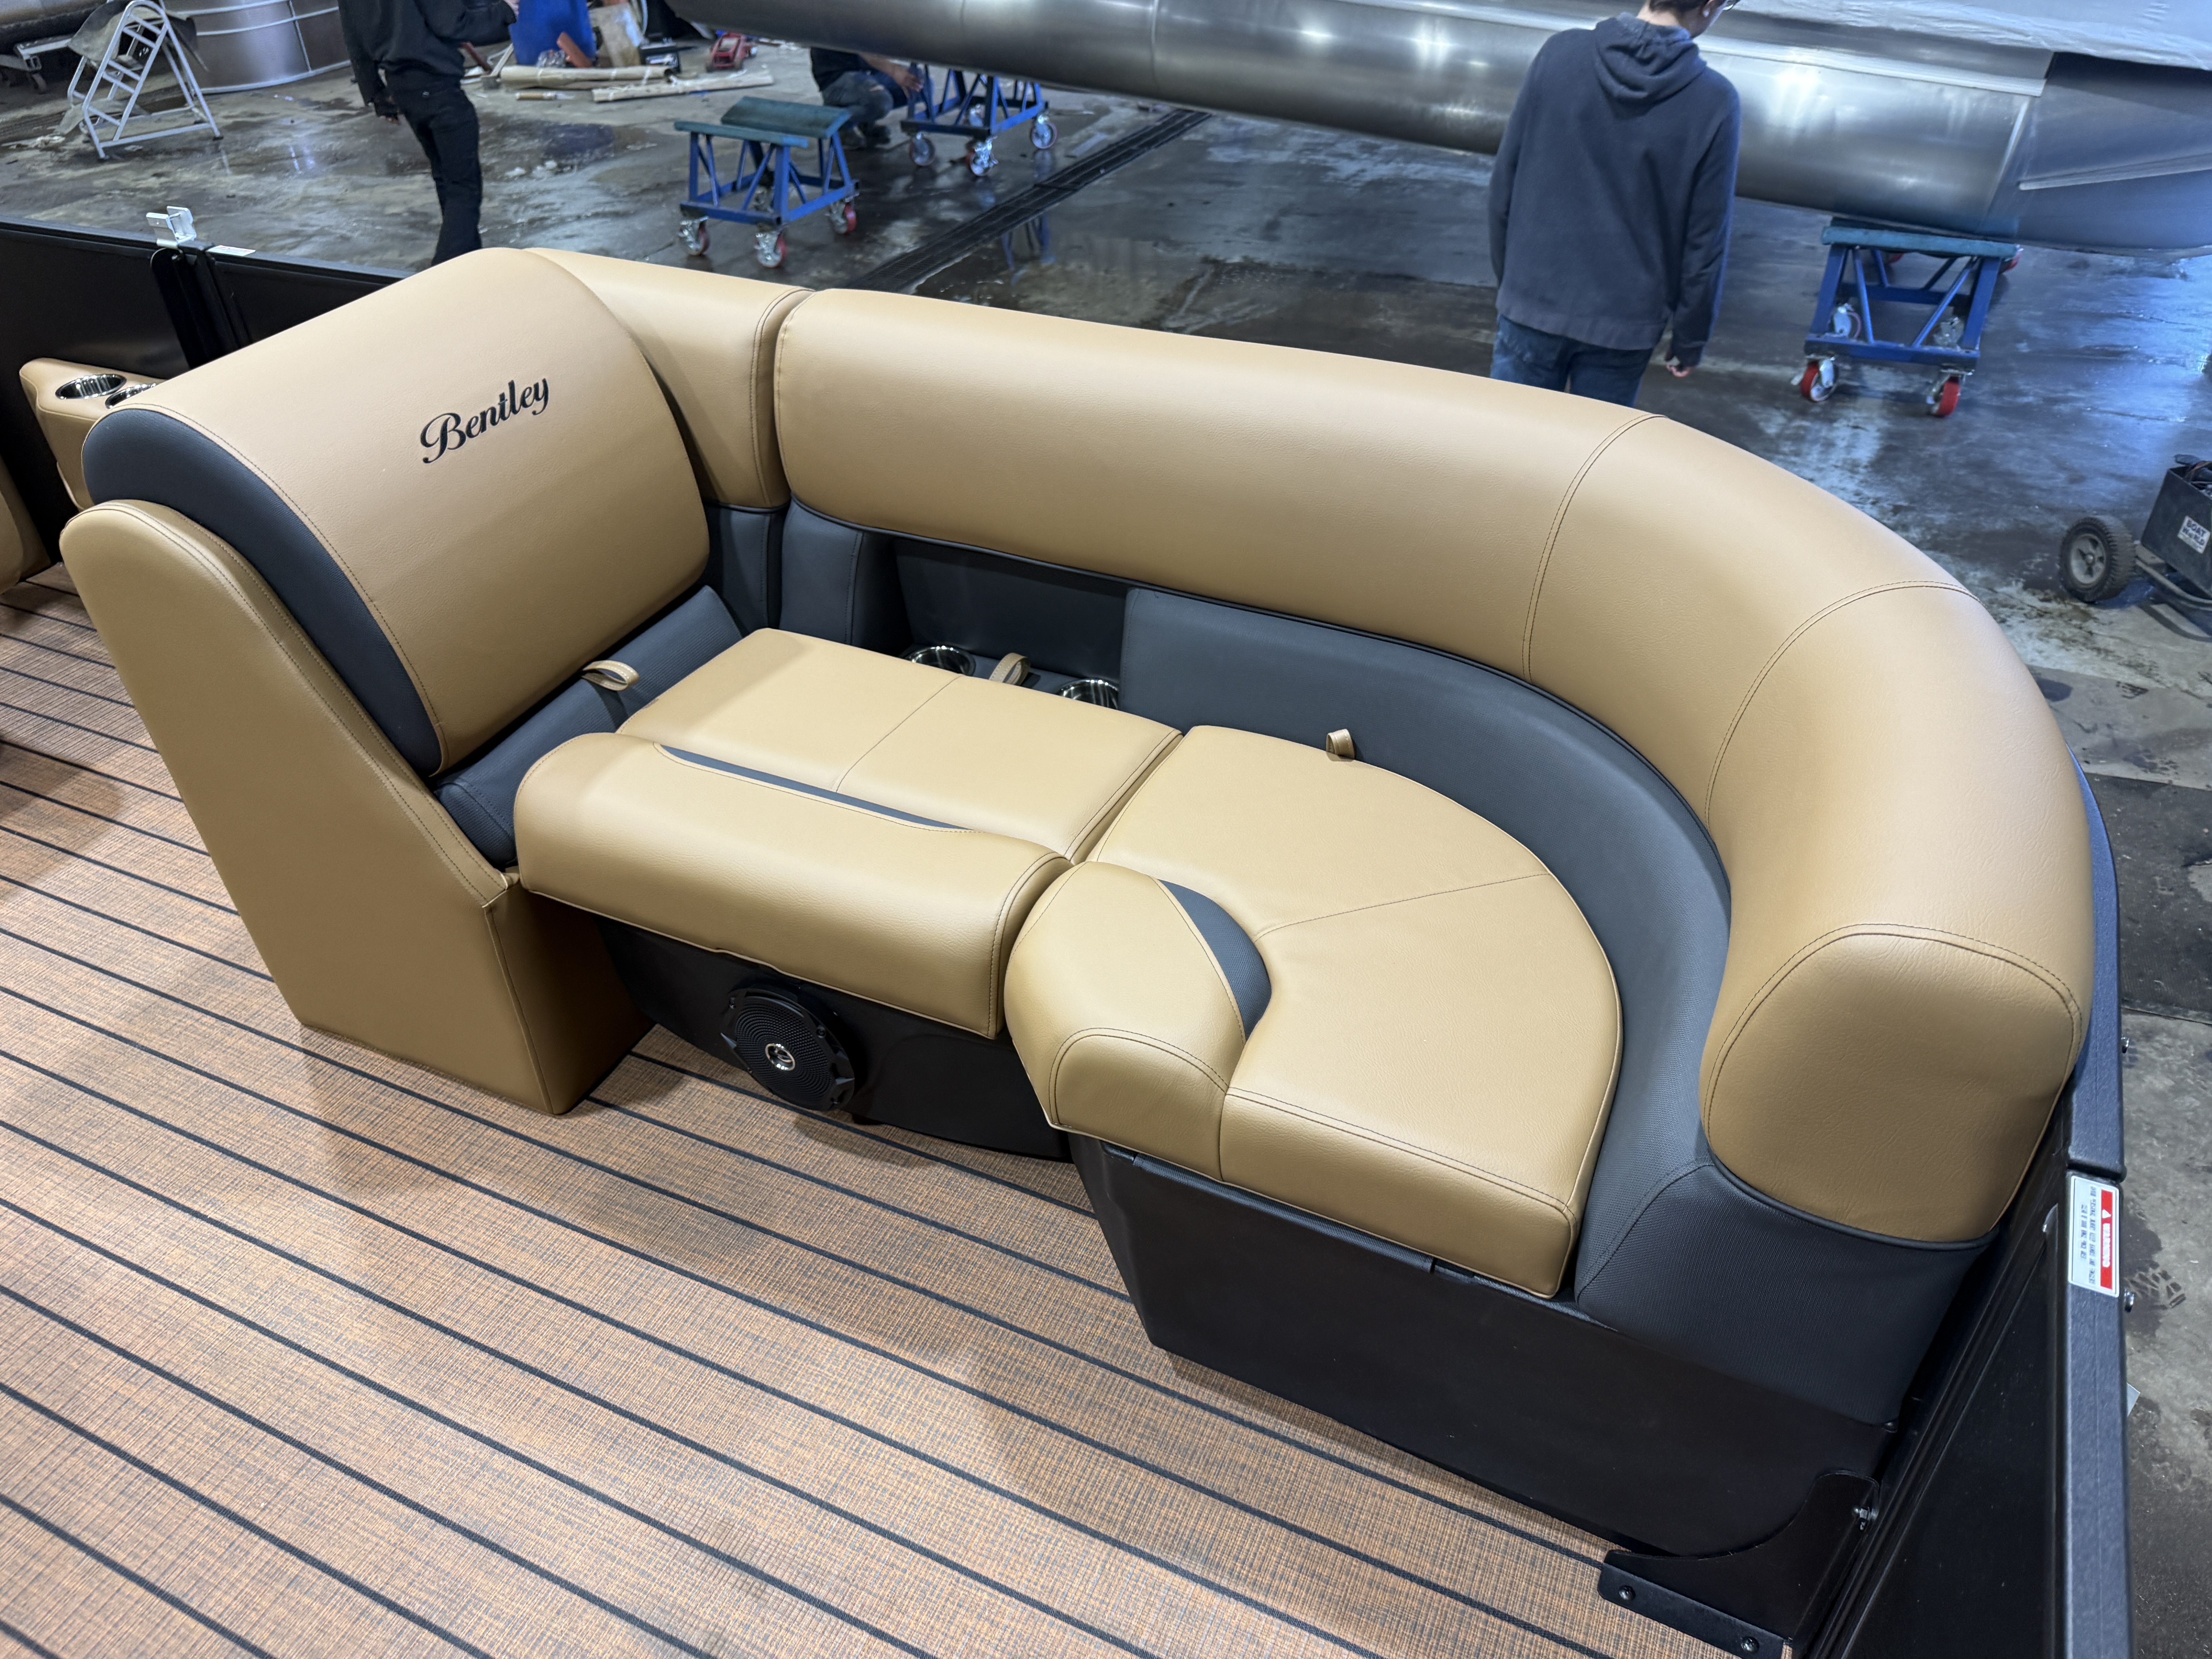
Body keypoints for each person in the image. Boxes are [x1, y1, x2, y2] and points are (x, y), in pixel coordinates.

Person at [1486, 0, 1742, 407]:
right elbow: (1705, 239)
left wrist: (1515, 286)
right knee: (1597, 446)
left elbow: (1506, 180)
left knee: (1511, 441)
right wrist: (1691, 337)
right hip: (1624, 326)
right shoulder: (1715, 101)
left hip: (1532, 301)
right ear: (1709, 5)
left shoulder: (1559, 54)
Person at [342, 0, 520, 265]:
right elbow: (452, 24)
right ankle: (446, 271)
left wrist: (377, 94)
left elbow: (354, 35)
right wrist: (503, 11)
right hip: (436, 86)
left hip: (402, 88)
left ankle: (467, 264)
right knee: (463, 188)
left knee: (446, 177)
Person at [810, 47, 920, 151]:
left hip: (867, 69)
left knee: (920, 86)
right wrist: (894, 70)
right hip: (837, 75)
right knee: (881, 103)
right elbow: (863, 48)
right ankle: (839, 121)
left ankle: (865, 119)